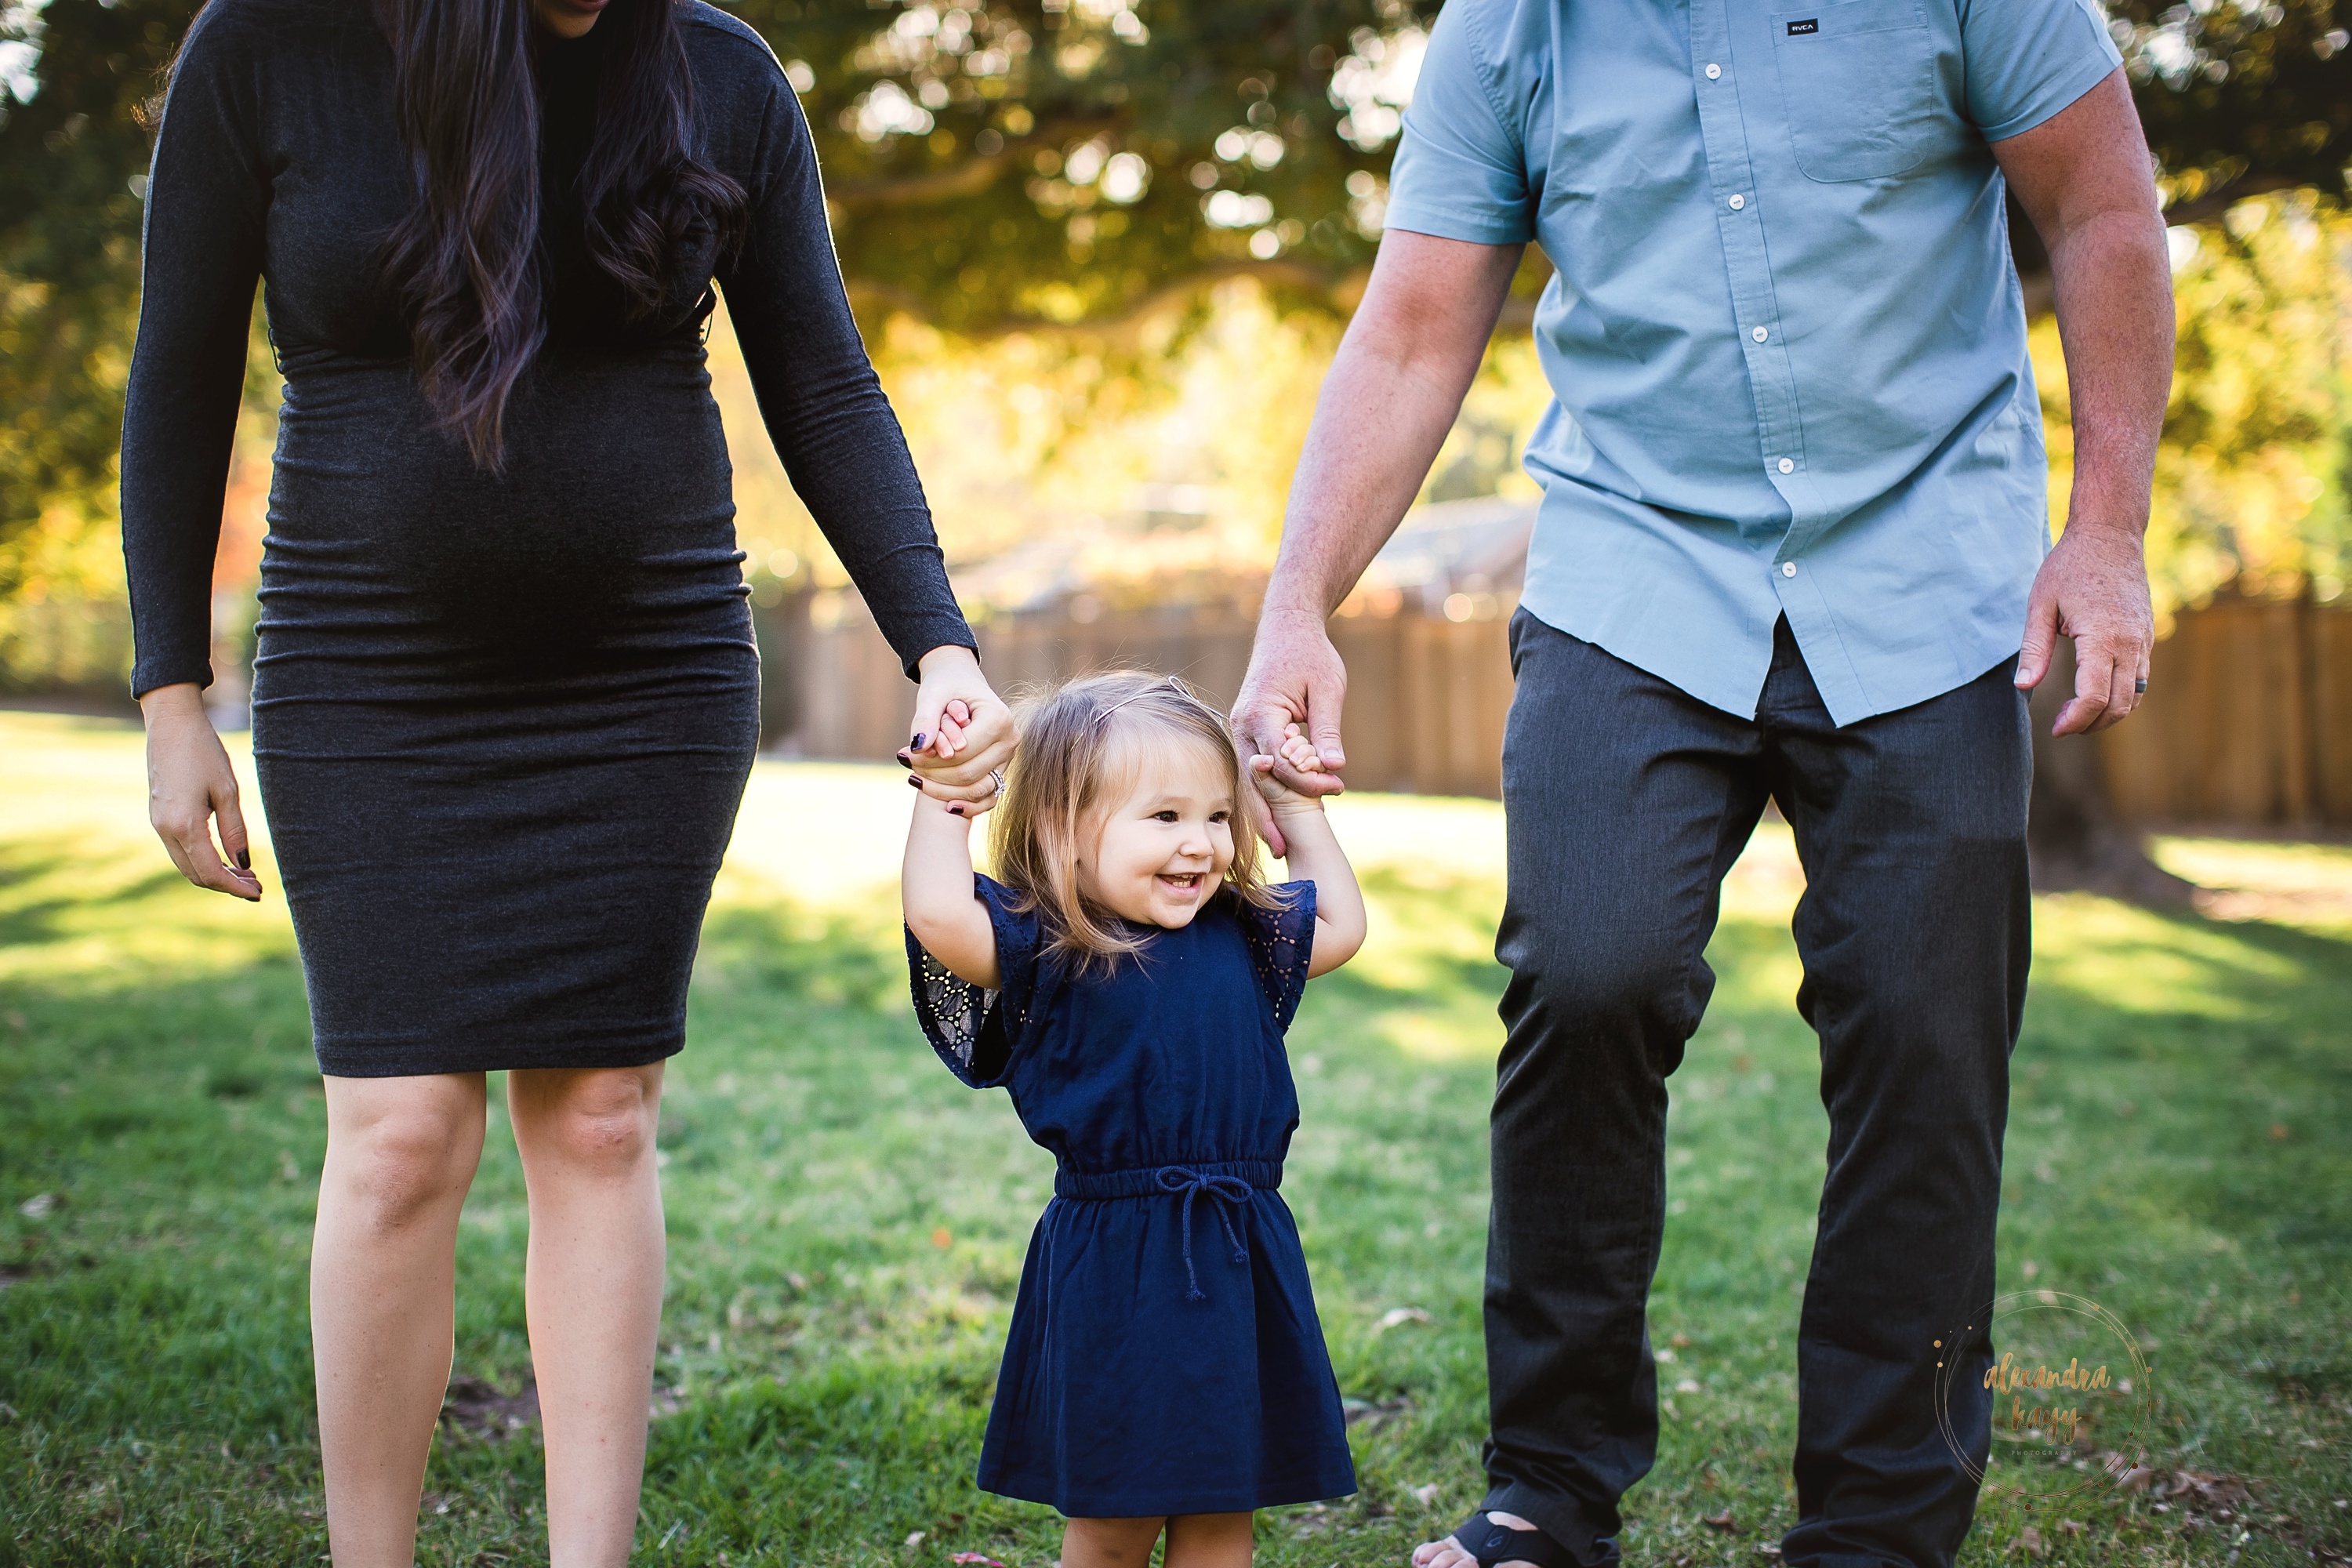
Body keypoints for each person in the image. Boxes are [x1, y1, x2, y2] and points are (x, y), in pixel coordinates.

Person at [1230, 0, 2173, 1566]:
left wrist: (2112, 529)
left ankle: (1880, 1520)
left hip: (1932, 568)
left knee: (1924, 1028)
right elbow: (1413, 323)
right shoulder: (1508, 31)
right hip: (1636, 566)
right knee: (1592, 972)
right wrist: (1296, 604)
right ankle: (1549, 1483)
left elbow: (2105, 205)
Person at [120, 0, 1011, 1559]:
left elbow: (823, 377)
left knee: (601, 1115)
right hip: (365, 668)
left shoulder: (716, 72)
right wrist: (167, 690)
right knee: (398, 1130)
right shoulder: (268, 46)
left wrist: (938, 640)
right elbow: (179, 373)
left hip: (646, 670)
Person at [900, 673, 1369, 1568]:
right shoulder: (1047, 944)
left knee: (1223, 1507)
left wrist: (1292, 807)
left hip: (1237, 1248)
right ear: (1061, 831)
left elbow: (1341, 923)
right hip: (1116, 1261)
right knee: (1116, 1514)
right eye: (1165, 818)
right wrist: (945, 796)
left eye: (1217, 816)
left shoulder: (1241, 931)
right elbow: (937, 910)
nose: (1201, 843)